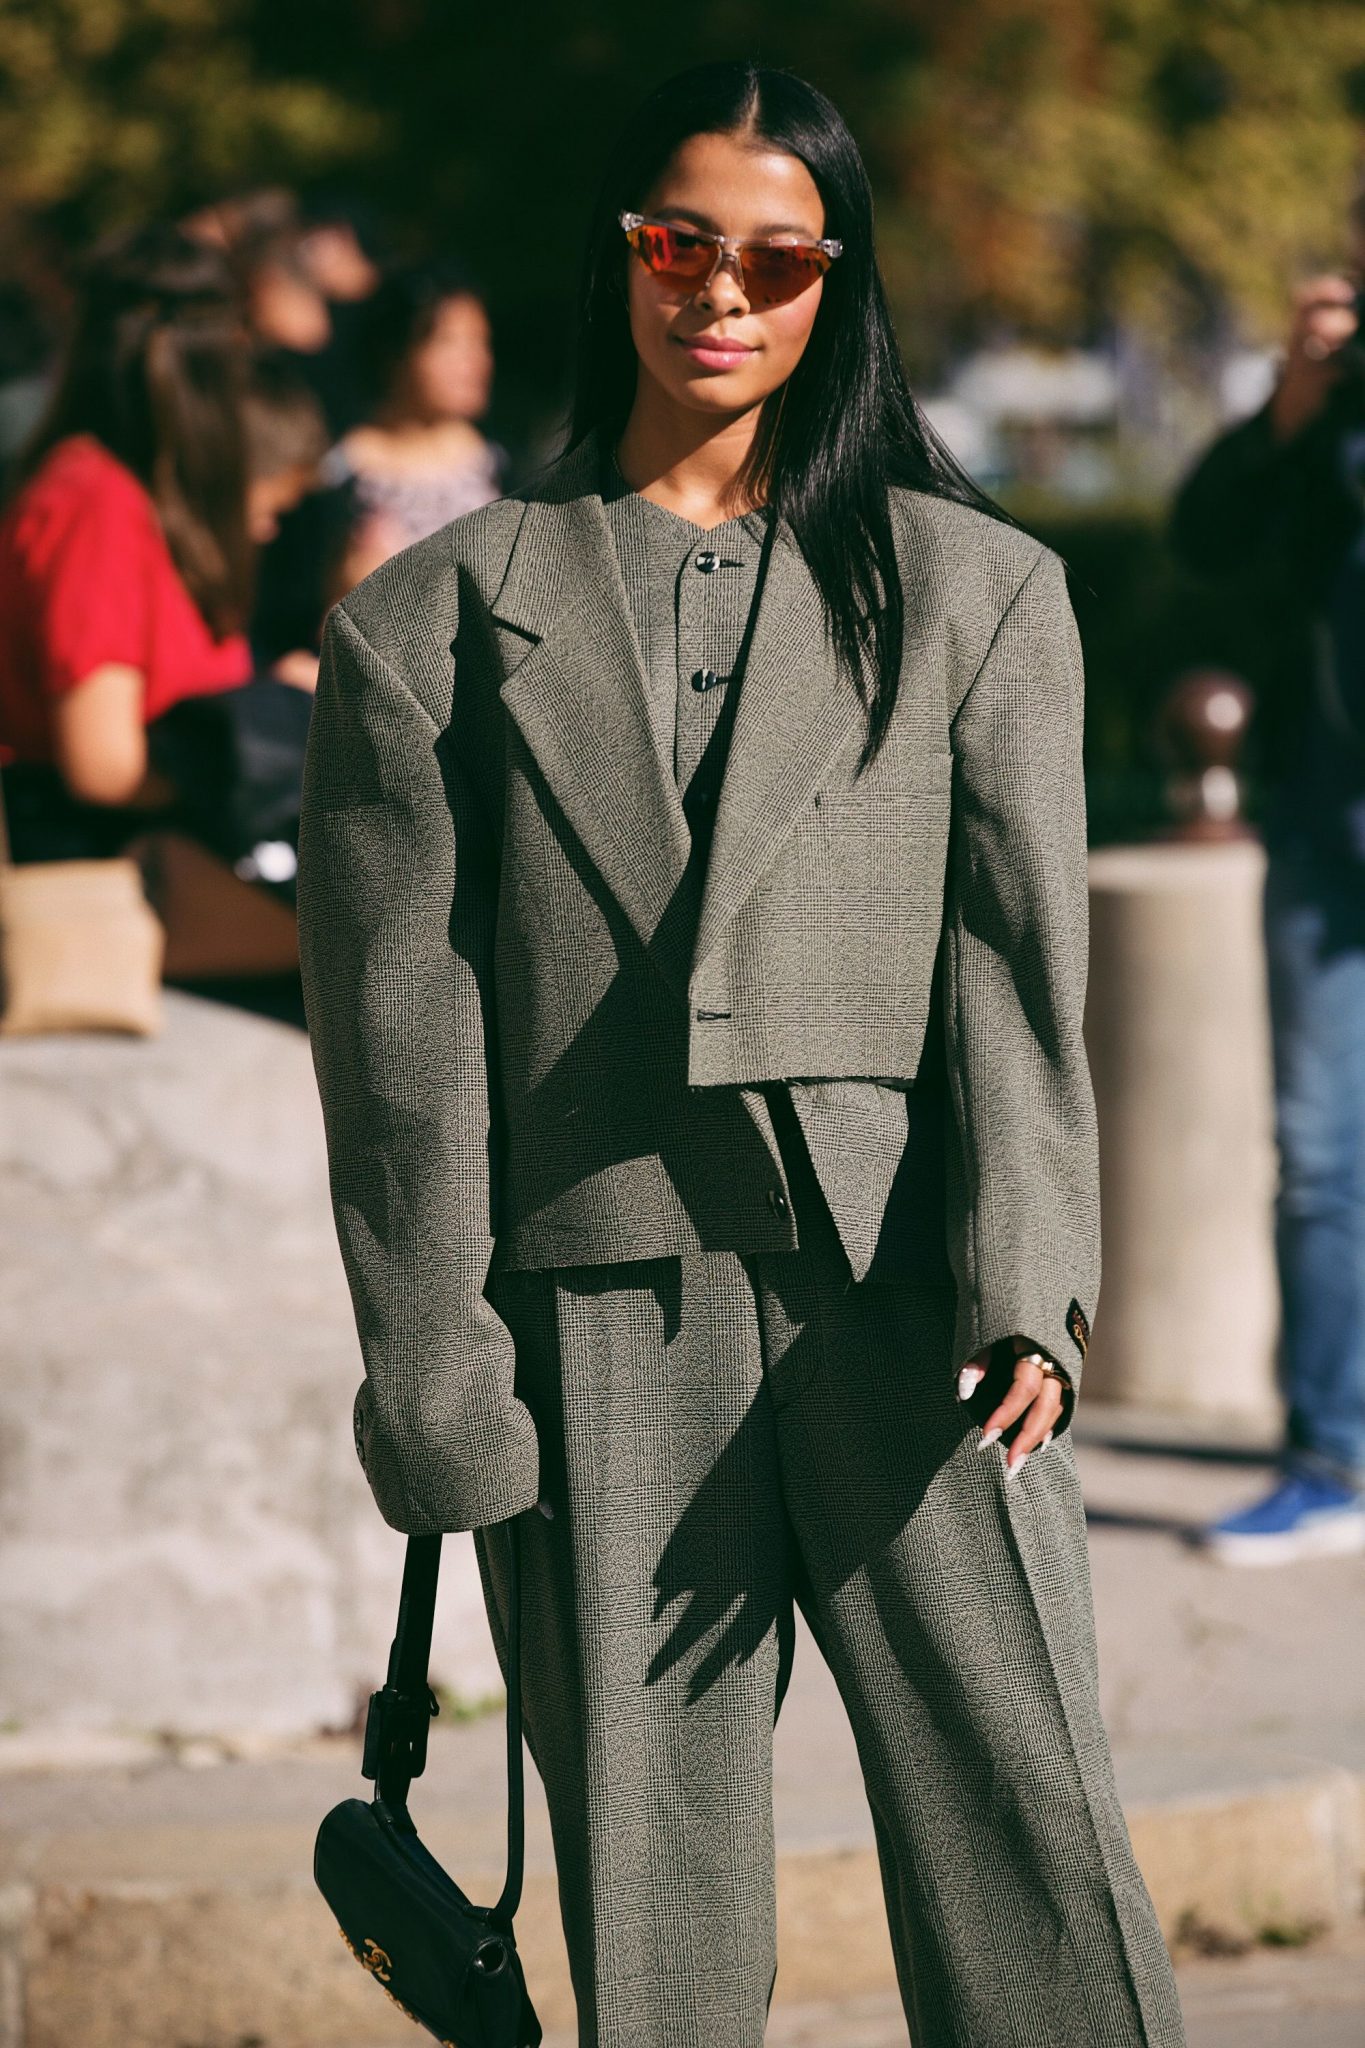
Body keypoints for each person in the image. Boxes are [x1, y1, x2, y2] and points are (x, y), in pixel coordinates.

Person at [298, 62, 1186, 2048]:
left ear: (831, 284)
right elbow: (401, 1064)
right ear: (619, 256)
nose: (718, 292)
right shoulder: (426, 629)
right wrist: (435, 1369)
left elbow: (1016, 984)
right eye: (675, 243)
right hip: (595, 1321)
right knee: (651, 1905)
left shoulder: (978, 596)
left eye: (773, 258)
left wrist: (1031, 1293)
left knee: (1031, 1845)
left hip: (917, 1317)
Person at [1171, 198, 1365, 1565]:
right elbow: (1205, 538)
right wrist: (1290, 402)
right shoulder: (1326, 415)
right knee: (1319, 1156)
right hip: (1321, 818)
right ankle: (1332, 1452)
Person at [0, 226, 316, 888]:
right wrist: (268, 737)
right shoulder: (94, 503)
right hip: (96, 865)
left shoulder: (134, 498)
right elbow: (105, 766)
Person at [321, 257, 503, 593]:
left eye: (481, 341)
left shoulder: (501, 466)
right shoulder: (340, 475)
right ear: (398, 353)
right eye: (450, 342)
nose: (475, 361)